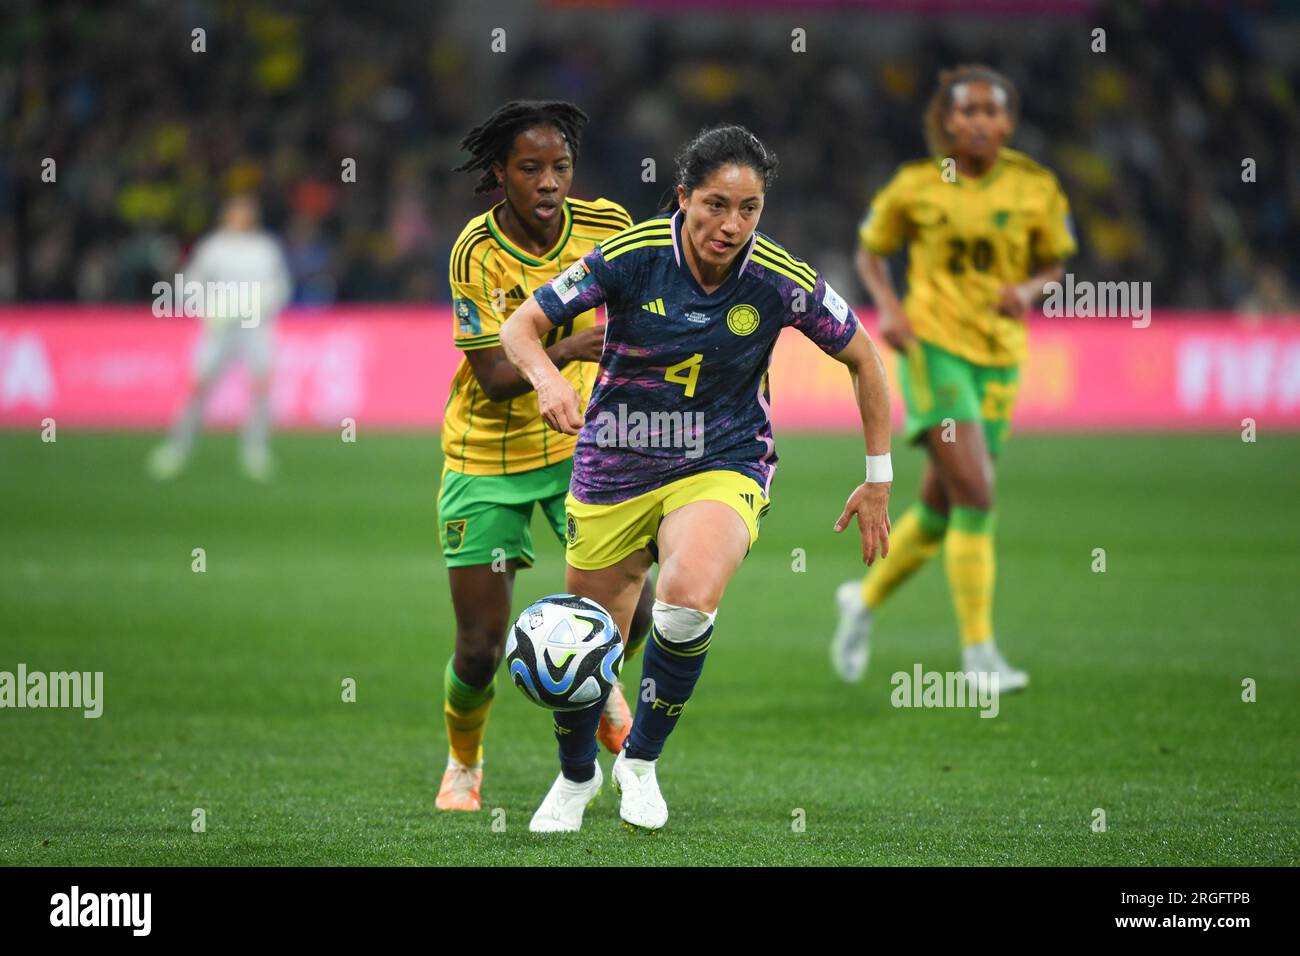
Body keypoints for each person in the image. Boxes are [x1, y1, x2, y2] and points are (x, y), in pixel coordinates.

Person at [501, 124, 893, 832]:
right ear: (682, 198)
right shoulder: (629, 256)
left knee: (686, 602)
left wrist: (878, 478)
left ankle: (642, 763)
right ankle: (575, 776)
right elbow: (520, 327)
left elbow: (866, 358)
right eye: (716, 204)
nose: (732, 225)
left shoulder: (780, 278)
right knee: (586, 643)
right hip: (614, 462)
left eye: (749, 210)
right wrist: (547, 378)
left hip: (723, 459)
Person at [435, 100, 654, 812]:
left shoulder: (608, 227)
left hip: (579, 445)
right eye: (530, 168)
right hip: (485, 454)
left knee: (640, 608)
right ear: (500, 173)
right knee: (479, 645)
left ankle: (598, 681)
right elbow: (495, 380)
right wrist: (564, 349)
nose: (549, 181)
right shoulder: (476, 250)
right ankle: (464, 763)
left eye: (560, 166)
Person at [830, 65, 1077, 690]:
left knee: (942, 507)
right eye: (966, 111)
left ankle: (860, 603)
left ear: (1008, 122)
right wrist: (887, 305)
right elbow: (869, 248)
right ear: (946, 120)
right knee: (978, 494)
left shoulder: (1034, 186)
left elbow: (1054, 263)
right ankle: (978, 656)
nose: (978, 122)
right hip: (935, 352)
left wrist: (1027, 288)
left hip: (1000, 357)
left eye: (991, 112)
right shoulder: (921, 184)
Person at [147, 194, 291, 481]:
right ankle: (178, 446)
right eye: (236, 212)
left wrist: (255, 307)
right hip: (219, 330)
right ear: (227, 215)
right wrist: (210, 307)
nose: (241, 218)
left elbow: (280, 287)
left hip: (255, 328)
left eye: (246, 212)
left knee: (261, 387)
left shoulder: (264, 249)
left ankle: (255, 449)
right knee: (198, 386)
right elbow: (190, 284)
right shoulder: (213, 248)